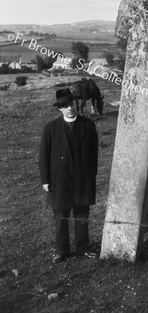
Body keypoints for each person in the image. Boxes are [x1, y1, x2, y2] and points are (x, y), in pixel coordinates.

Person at [38, 88, 98, 263]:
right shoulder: (50, 129)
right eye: (65, 106)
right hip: (59, 181)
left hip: (82, 179)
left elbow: (93, 152)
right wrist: (45, 180)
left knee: (82, 215)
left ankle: (83, 248)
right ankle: (62, 251)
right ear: (60, 109)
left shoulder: (88, 125)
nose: (69, 108)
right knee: (61, 217)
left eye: (71, 104)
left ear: (76, 104)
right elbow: (43, 156)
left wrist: (91, 175)